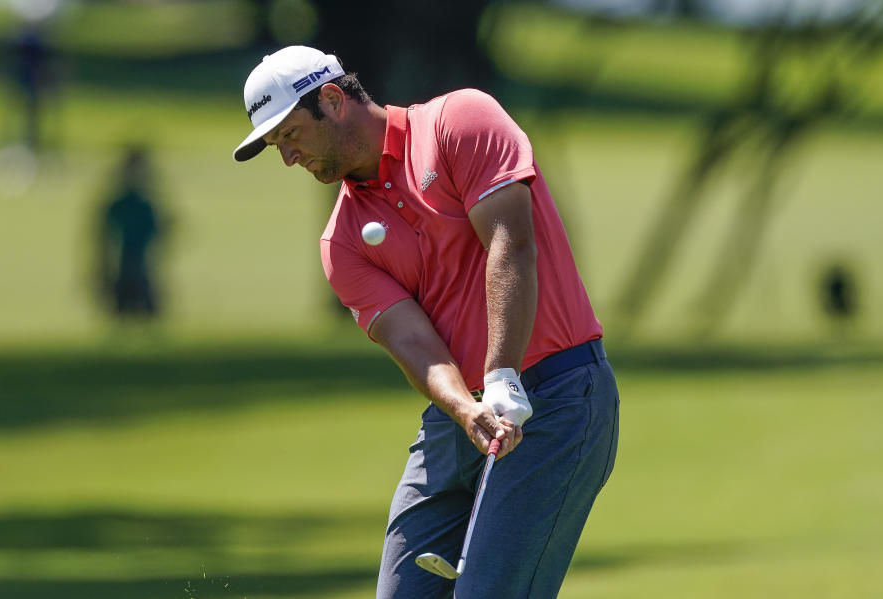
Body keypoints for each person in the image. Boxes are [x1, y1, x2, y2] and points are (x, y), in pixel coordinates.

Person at [232, 46, 619, 598]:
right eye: (276, 146)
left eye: (290, 135)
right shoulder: (341, 242)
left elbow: (511, 244)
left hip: (560, 395)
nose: (288, 157)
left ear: (334, 100)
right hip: (457, 419)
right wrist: (466, 408)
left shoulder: (460, 121)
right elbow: (411, 338)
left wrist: (503, 376)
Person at [97, 147, 163, 319]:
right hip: (124, 271)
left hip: (143, 272)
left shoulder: (146, 206)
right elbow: (104, 241)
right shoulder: (121, 206)